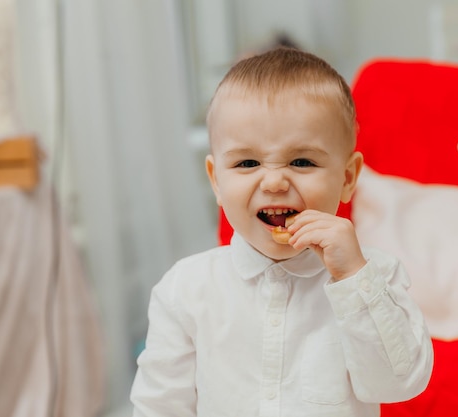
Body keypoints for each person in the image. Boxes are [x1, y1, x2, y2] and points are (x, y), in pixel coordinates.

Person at [130, 47, 433, 417]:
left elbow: (399, 384)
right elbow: (160, 407)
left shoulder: (375, 275)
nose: (274, 181)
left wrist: (354, 277)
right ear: (217, 182)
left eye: (302, 161)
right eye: (247, 162)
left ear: (347, 178)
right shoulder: (185, 289)